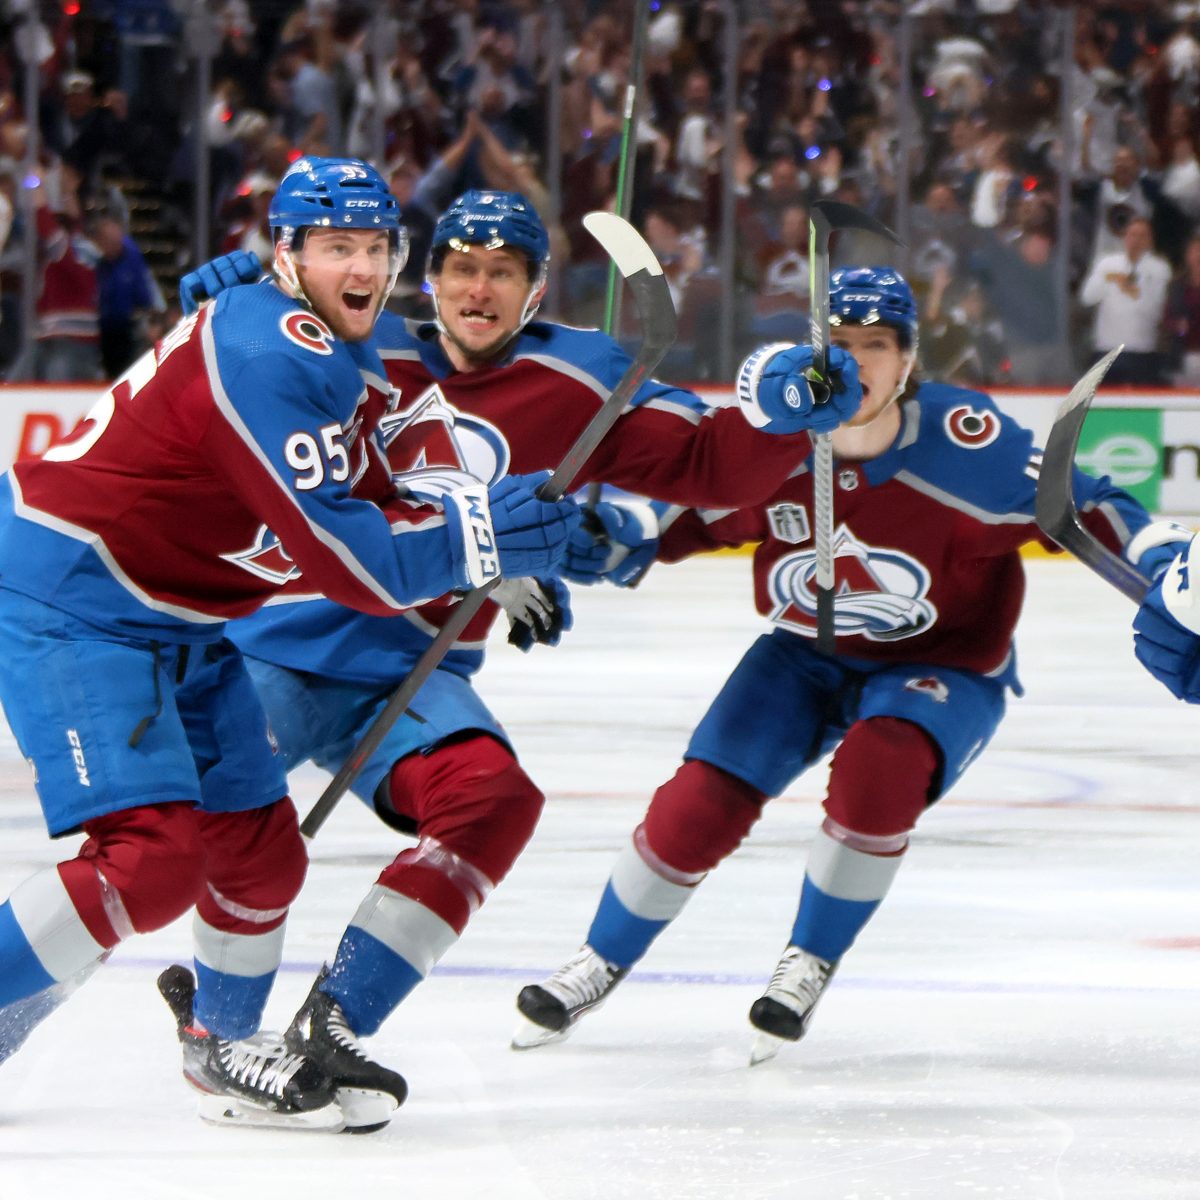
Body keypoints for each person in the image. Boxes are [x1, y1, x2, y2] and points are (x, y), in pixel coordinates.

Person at [173, 188, 860, 1130]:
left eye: (503, 272)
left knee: (491, 802)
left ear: (537, 288)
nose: (478, 289)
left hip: (409, 672)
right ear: (431, 277)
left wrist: (780, 413)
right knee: (179, 836)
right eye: (461, 267)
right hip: (271, 644)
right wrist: (224, 310)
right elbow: (214, 404)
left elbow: (710, 469)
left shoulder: (581, 379)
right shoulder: (346, 338)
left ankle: (329, 1025)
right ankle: (207, 1034)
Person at [0, 157, 582, 1133]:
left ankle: (220, 1048)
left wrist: (495, 533)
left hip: (176, 615)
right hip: (74, 595)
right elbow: (345, 564)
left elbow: (389, 490)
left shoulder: (346, 353)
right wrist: (484, 539)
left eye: (373, 247)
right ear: (288, 253)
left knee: (262, 859)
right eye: (335, 246)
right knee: (150, 860)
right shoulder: (276, 351)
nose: (359, 265)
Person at [511, 265, 1183, 1064]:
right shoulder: (774, 444)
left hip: (944, 662)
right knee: (700, 799)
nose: (859, 364)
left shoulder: (968, 446)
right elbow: (677, 514)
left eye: (878, 346)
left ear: (909, 360)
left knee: (881, 767)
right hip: (803, 652)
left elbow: (1089, 504)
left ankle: (809, 959)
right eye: (842, 345)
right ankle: (602, 958)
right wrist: (605, 539)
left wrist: (1165, 564)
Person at [1080, 215, 1172, 386]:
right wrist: (1108, 279)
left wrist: (1131, 290)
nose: (1136, 240)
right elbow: (1087, 298)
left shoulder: (1160, 269)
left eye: (1141, 236)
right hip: (1106, 349)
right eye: (1132, 235)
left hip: (1142, 349)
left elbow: (1157, 311)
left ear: (1150, 240)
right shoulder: (1107, 263)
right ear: (1124, 238)